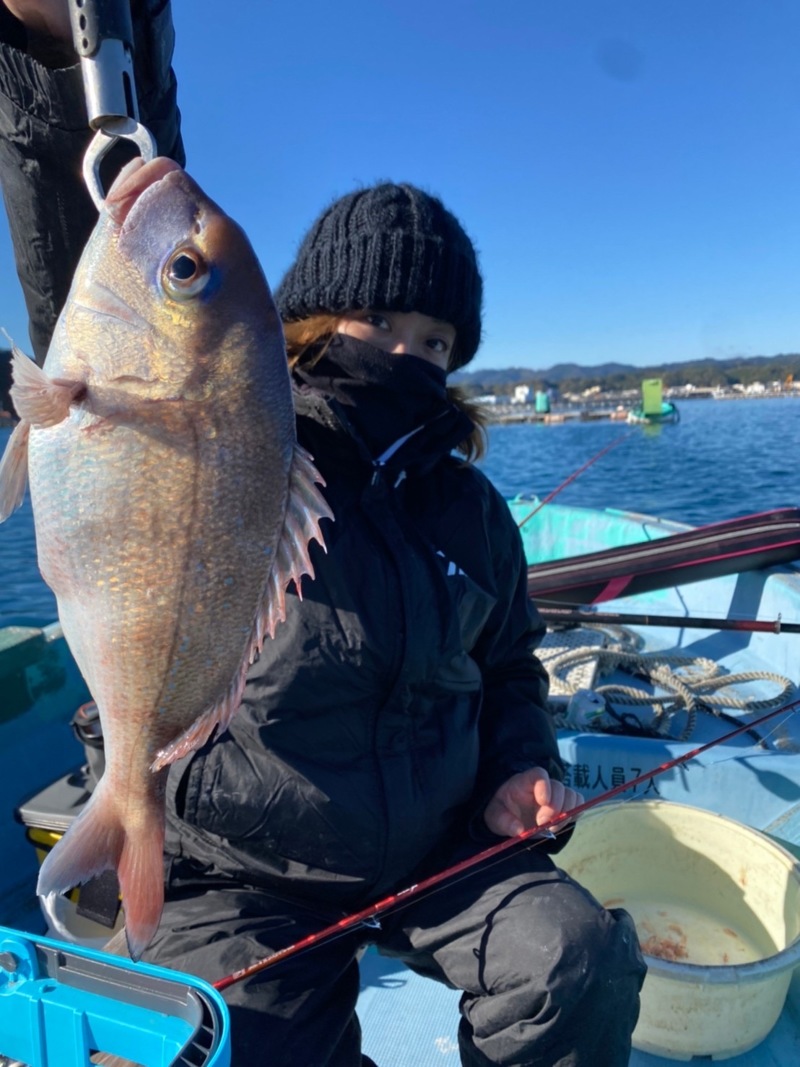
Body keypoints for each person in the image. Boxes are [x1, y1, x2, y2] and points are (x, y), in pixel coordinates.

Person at [0, 3, 646, 1065]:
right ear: (297, 326)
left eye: (434, 337)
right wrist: (43, 46)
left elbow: (509, 668)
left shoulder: (470, 510)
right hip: (240, 858)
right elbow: (108, 218)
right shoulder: (235, 432)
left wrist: (518, 767)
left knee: (574, 956)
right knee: (225, 1041)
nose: (407, 350)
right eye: (377, 321)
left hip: (436, 848)